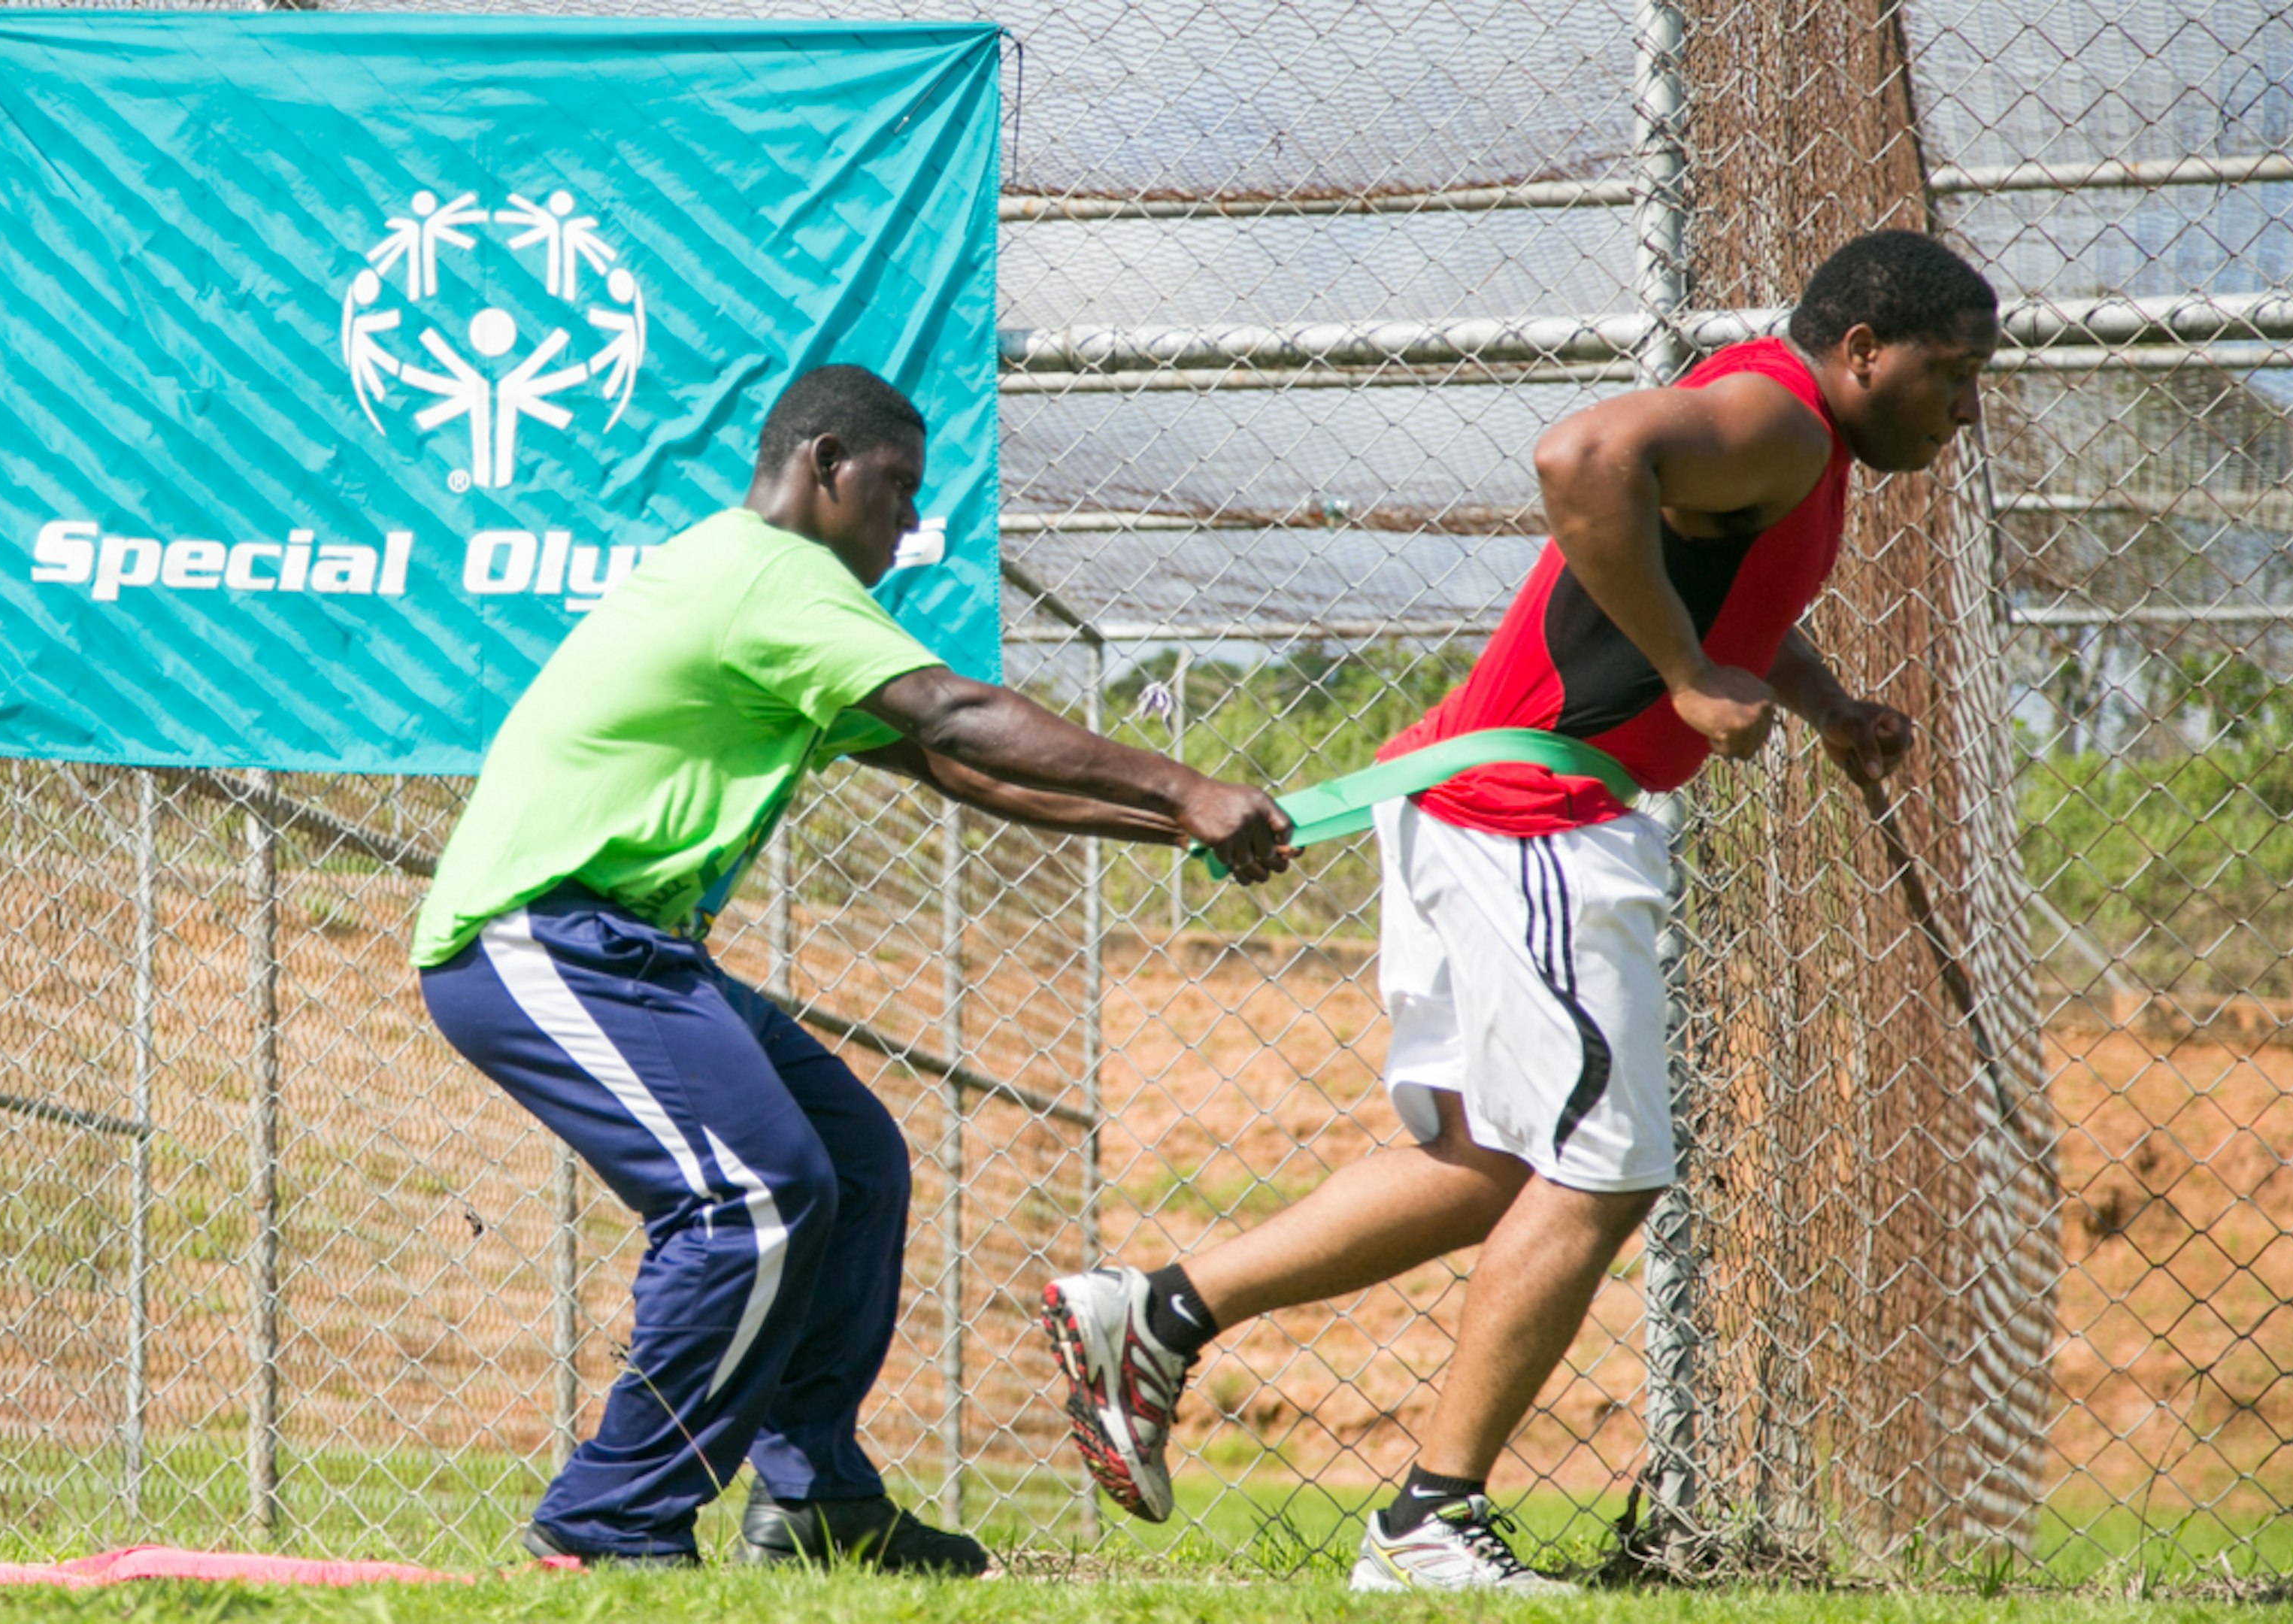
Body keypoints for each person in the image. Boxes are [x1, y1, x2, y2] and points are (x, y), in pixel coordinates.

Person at [1040, 229, 1999, 1591]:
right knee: (1609, 1168)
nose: (1964, 408)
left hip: (1488, 805)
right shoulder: (1779, 414)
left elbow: (1722, 583)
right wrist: (1679, 677)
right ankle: (1428, 1524)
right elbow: (1581, 458)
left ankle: (1159, 1312)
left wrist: (1824, 704)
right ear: (1862, 353)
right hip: (1540, 818)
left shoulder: (1788, 447)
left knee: (1490, 1163)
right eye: (1952, 373)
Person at [415, 364, 1290, 1572]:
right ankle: (610, 1521)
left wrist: (1177, 827)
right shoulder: (769, 576)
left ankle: (814, 1494)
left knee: (852, 1164)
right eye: (897, 489)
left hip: (633, 948)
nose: (909, 524)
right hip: (539, 933)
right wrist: (1183, 784)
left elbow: (957, 771)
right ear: (826, 464)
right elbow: (952, 715)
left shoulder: (770, 595)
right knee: (756, 1196)